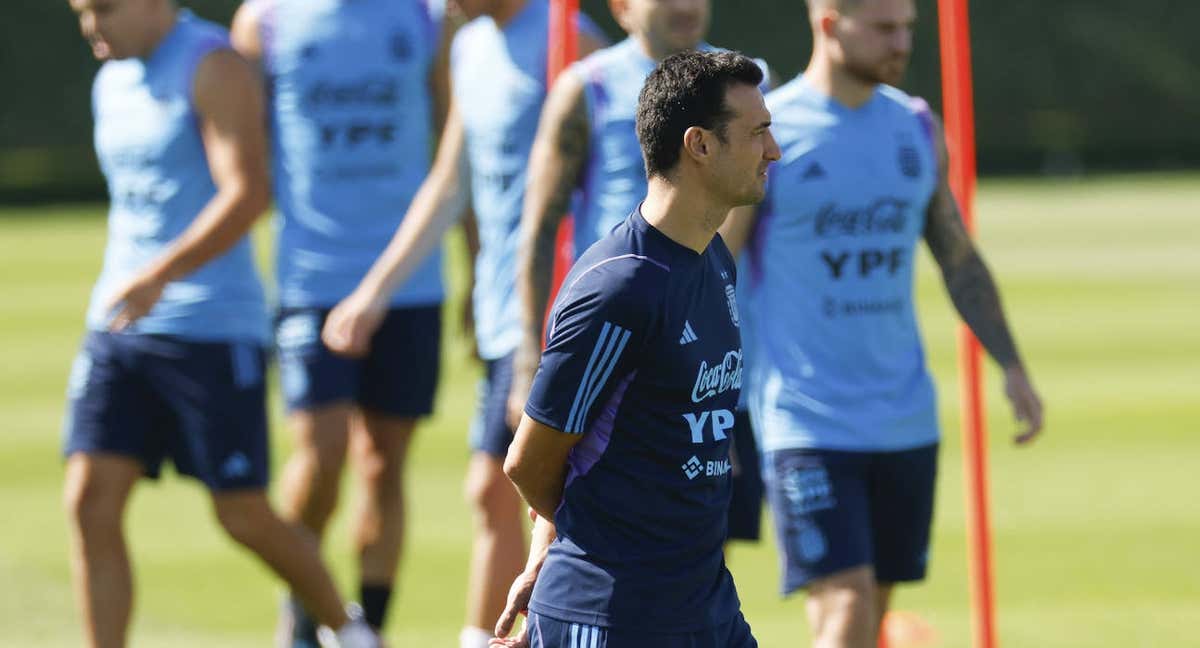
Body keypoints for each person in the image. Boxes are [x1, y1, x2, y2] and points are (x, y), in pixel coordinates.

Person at [718, 1, 1046, 647]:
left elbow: (957, 258)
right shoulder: (771, 131)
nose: (901, 43)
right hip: (804, 418)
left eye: (908, 29)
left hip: (903, 416)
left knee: (870, 617)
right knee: (846, 603)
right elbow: (717, 266)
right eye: (884, 28)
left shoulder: (916, 127)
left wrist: (1011, 366)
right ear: (829, 22)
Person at [60, 1, 379, 646]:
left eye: (105, 10)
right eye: (82, 12)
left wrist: (161, 274)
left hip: (208, 328)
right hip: (119, 325)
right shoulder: (110, 81)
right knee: (89, 500)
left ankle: (348, 631)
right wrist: (137, 283)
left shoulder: (211, 65)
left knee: (242, 514)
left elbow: (248, 193)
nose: (93, 27)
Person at [316, 2, 605, 646]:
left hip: (564, 310)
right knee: (500, 492)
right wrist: (373, 294)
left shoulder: (571, 42)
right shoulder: (470, 46)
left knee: (514, 489)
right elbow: (451, 183)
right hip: (506, 313)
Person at [490, 49, 779, 648]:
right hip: (615, 617)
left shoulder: (713, 260)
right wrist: (569, 557)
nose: (772, 151)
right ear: (699, 145)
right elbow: (531, 459)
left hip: (706, 609)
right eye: (757, 134)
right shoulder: (621, 287)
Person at [230, 1, 462, 642]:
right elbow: (241, 152)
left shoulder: (427, 16)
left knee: (383, 465)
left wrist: (471, 256)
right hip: (311, 276)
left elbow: (454, 142)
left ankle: (371, 630)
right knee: (321, 453)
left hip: (411, 278)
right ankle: (305, 612)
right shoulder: (266, 20)